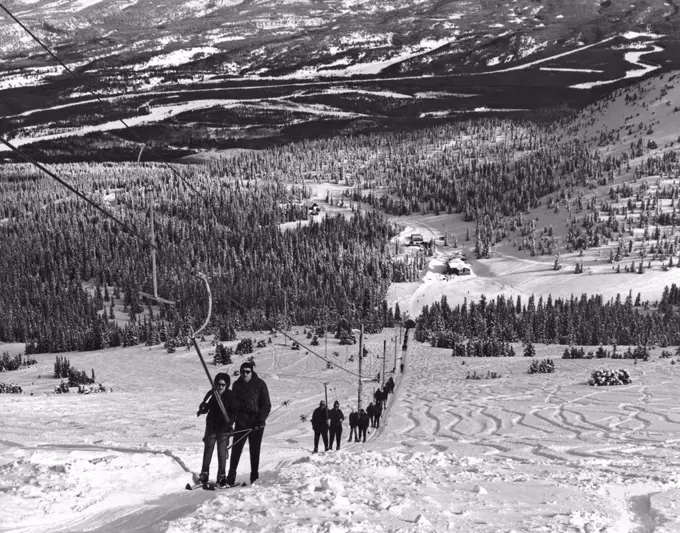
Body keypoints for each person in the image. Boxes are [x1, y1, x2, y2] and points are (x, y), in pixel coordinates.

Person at [226, 362, 271, 486]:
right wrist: (231, 423)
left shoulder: (260, 384)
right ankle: (231, 476)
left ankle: (254, 477)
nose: (244, 374)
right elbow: (234, 406)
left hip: (256, 423)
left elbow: (266, 405)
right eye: (242, 372)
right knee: (236, 449)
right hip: (241, 422)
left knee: (254, 450)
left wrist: (260, 420)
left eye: (247, 371)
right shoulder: (236, 385)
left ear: (252, 372)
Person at [196, 372, 232, 487]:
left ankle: (221, 476)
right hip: (211, 426)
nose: (220, 387)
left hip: (223, 428)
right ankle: (204, 474)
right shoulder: (212, 393)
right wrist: (202, 409)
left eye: (223, 385)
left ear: (227, 385)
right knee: (208, 450)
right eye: (218, 384)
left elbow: (235, 411)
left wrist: (230, 422)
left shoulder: (231, 395)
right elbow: (206, 405)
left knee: (222, 452)